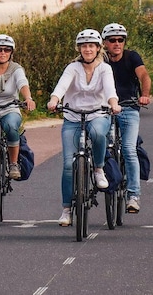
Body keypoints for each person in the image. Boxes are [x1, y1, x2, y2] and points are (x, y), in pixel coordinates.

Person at [47, 29, 120, 226]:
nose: (87, 49)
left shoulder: (105, 69)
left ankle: (98, 169)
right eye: (84, 46)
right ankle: (66, 210)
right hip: (73, 116)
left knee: (97, 133)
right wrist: (54, 100)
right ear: (79, 48)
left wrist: (113, 104)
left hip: (98, 113)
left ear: (98, 48)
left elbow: (110, 90)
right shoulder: (73, 67)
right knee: (68, 165)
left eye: (91, 46)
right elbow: (61, 86)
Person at [0, 34, 36, 210]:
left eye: (6, 50)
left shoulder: (17, 69)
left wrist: (28, 98)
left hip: (10, 108)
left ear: (12, 52)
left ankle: (13, 164)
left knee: (11, 126)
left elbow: (22, 83)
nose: (3, 53)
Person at [101, 22, 152, 214]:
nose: (117, 43)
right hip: (104, 109)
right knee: (101, 145)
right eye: (112, 40)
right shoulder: (100, 59)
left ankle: (133, 195)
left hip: (129, 107)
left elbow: (144, 76)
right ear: (104, 42)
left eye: (120, 40)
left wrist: (144, 94)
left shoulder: (132, 57)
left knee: (129, 150)